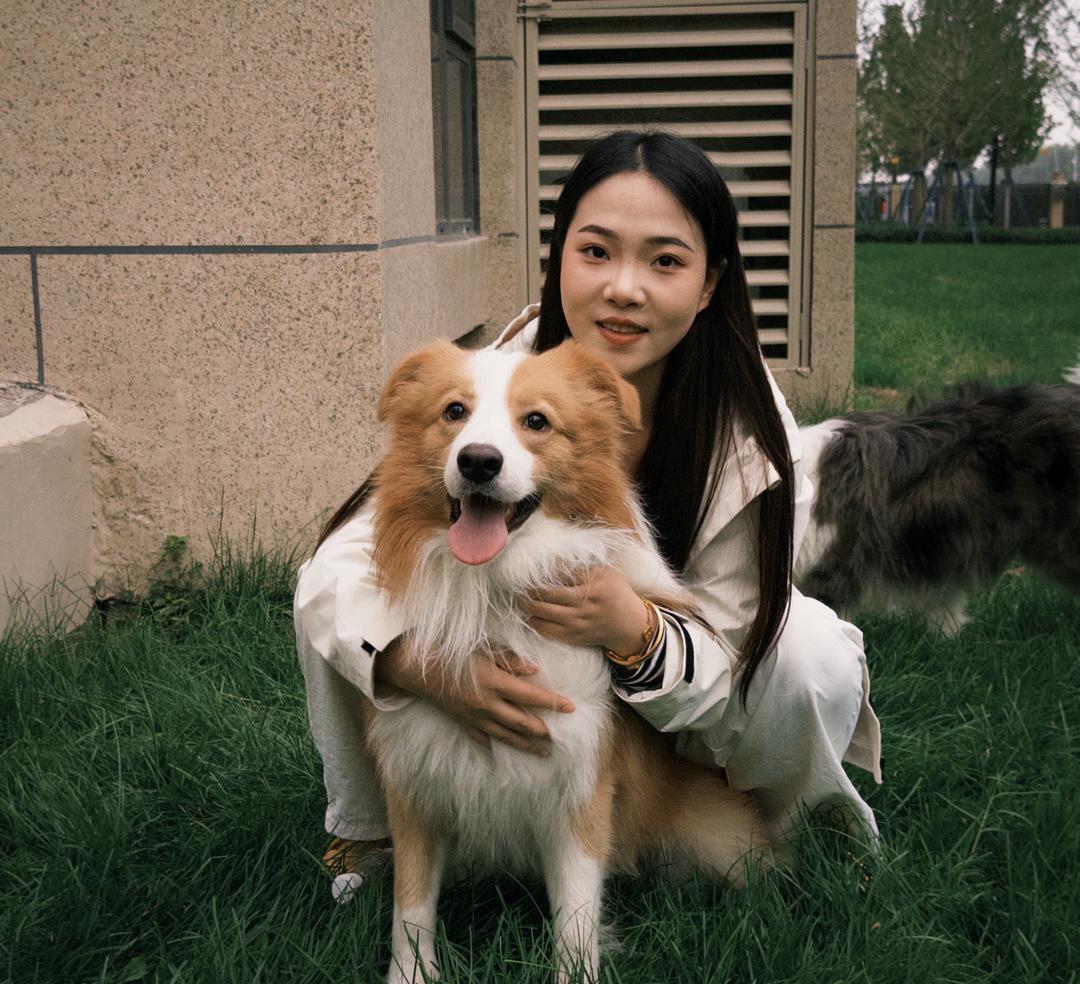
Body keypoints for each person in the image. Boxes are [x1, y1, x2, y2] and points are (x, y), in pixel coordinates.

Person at [294, 130, 882, 895]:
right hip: (509, 659)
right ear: (559, 256)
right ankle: (372, 831)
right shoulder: (490, 372)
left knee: (809, 656)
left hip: (668, 705)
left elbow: (738, 646)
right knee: (333, 591)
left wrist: (636, 630)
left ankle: (787, 826)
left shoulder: (753, 438)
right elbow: (342, 563)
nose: (623, 289)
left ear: (710, 283)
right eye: (596, 251)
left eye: (665, 261)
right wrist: (414, 664)